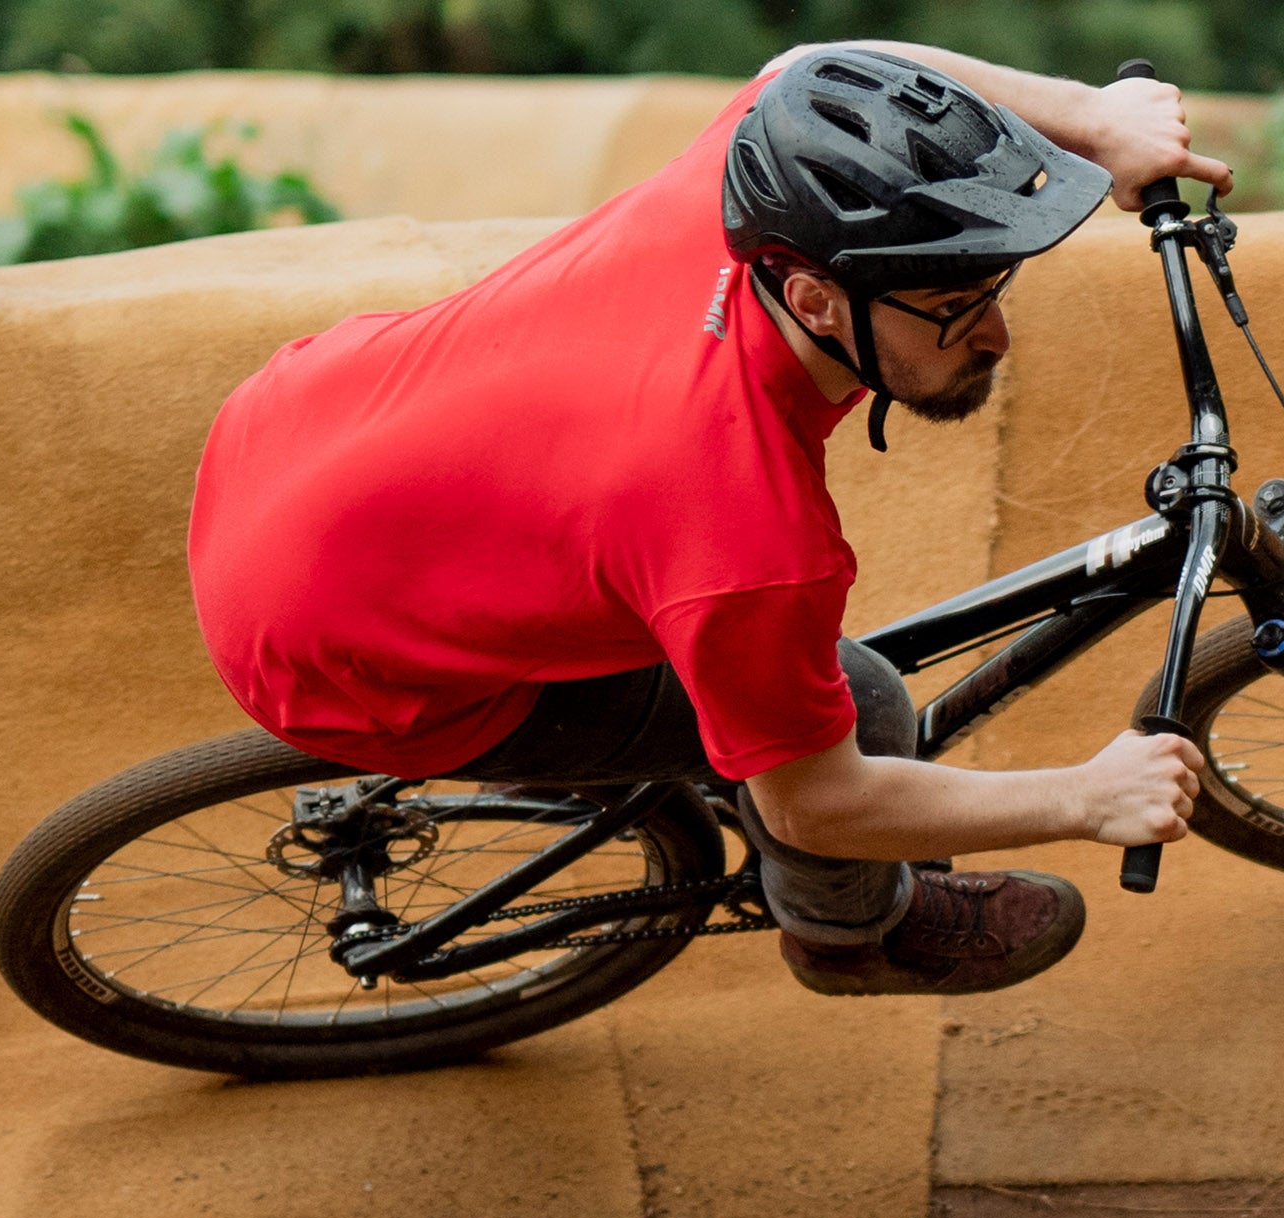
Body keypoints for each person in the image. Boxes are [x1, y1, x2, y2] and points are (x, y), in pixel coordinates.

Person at [187, 46, 1229, 996]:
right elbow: (815, 807)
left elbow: (821, 64)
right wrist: (1086, 800)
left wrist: (1092, 116)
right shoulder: (745, 538)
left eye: (989, 286)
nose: (995, 333)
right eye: (952, 304)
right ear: (820, 303)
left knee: (740, 657)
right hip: (338, 660)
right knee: (861, 703)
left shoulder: (767, 182)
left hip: (292, 435)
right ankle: (852, 936)